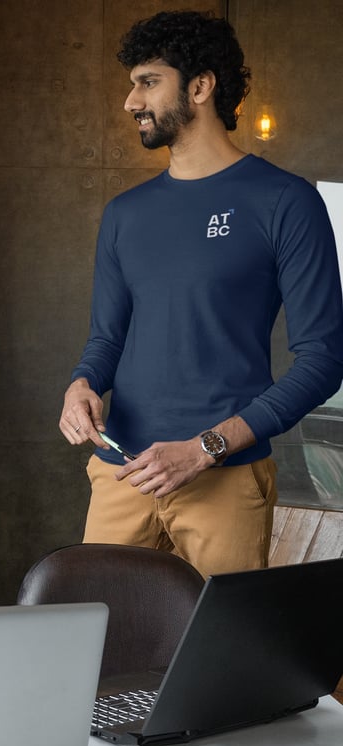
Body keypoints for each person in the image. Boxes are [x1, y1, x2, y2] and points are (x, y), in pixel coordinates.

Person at [59, 11, 343, 579]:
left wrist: (206, 448)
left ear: (200, 86)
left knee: (218, 663)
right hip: (122, 473)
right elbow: (107, 337)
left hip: (225, 480)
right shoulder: (124, 214)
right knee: (104, 652)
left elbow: (324, 360)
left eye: (148, 82)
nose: (129, 101)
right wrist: (82, 384)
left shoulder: (285, 202)